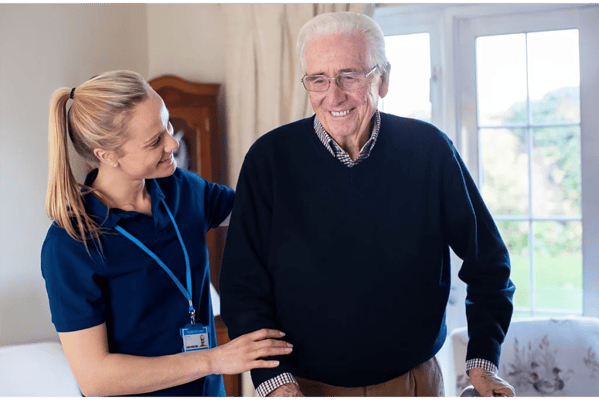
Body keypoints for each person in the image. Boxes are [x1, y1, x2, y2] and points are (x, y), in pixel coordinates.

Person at [219, 12, 516, 398]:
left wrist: (482, 360)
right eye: (318, 79)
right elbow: (243, 288)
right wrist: (274, 383)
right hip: (300, 389)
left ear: (384, 79)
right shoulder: (268, 159)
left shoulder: (429, 150)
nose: (334, 95)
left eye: (350, 76)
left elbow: (489, 265)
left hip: (413, 384)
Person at [41, 71, 293, 397]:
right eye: (154, 141)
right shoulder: (70, 245)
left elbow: (260, 211)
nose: (173, 143)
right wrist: (214, 360)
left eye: (168, 126)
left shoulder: (180, 188)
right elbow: (96, 378)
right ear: (107, 154)